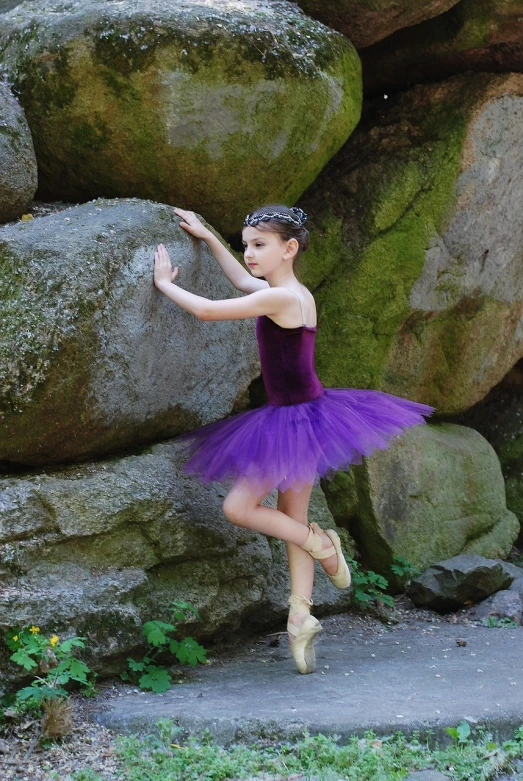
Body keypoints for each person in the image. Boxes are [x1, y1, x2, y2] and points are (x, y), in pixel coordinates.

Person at [153, 204, 434, 675]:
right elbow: (244, 284)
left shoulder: (283, 299)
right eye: (246, 244)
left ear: (290, 248)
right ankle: (301, 615)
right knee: (290, 515)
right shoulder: (287, 292)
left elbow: (206, 310)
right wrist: (208, 236)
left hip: (293, 421)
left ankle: (322, 544)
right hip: (301, 417)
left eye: (258, 245)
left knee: (239, 508)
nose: (249, 254)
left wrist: (164, 284)